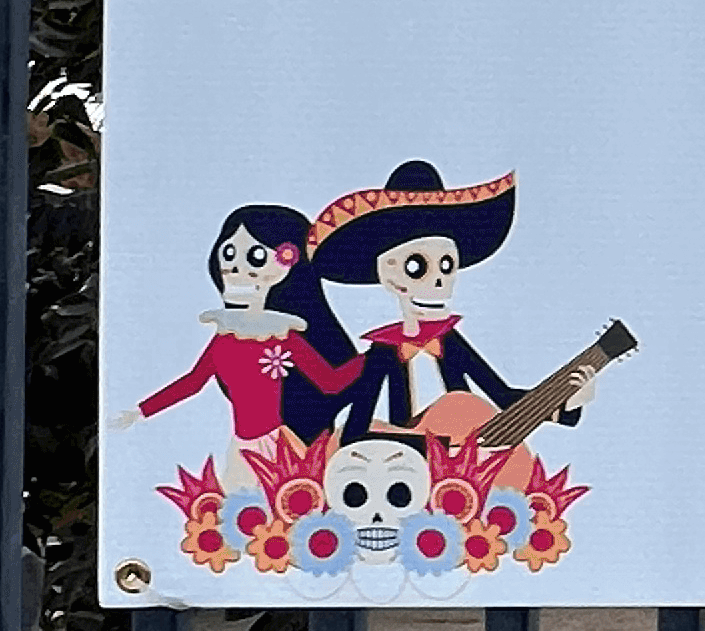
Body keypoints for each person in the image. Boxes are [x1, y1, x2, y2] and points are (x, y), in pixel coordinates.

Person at [308, 158, 566, 459]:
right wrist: (436, 449)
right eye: (418, 267)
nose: (439, 283)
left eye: (447, 266)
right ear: (388, 273)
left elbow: (502, 395)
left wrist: (562, 402)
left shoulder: (451, 343)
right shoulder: (384, 353)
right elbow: (355, 430)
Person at [115, 201, 363, 487]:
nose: (235, 267)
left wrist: (376, 354)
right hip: (242, 448)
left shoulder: (284, 336)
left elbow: (330, 382)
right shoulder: (225, 338)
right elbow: (192, 383)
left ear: (289, 261)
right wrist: (141, 411)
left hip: (282, 445)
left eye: (256, 256)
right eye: (228, 253)